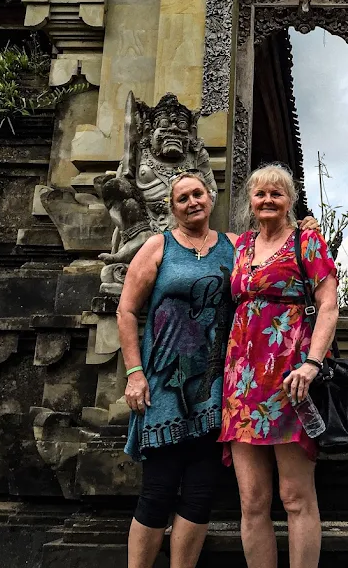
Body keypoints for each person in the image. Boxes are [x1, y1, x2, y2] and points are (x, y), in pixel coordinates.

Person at [219, 164, 339, 568]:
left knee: (295, 496)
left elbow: (328, 306)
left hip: (292, 379)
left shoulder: (307, 241)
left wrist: (313, 364)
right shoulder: (240, 246)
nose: (268, 200)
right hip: (241, 383)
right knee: (252, 500)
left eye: (277, 193)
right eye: (260, 194)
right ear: (250, 202)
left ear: (290, 200)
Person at [117, 171, 236, 568]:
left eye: (197, 194)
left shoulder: (234, 246)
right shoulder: (159, 246)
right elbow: (126, 310)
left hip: (215, 388)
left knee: (201, 494)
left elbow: (277, 251)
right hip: (163, 386)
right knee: (158, 490)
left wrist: (304, 228)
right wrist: (134, 373)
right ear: (172, 208)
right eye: (182, 198)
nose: (192, 202)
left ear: (210, 197)